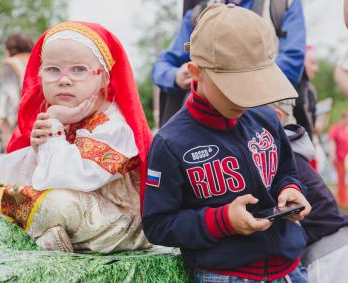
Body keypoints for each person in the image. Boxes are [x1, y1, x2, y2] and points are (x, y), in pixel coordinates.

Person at [142, 4, 311, 282]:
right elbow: (158, 225)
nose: (244, 99)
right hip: (225, 275)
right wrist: (222, 221)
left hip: (290, 270)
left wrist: (291, 190)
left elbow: (286, 171)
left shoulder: (267, 118)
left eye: (254, 83)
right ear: (196, 72)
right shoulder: (170, 142)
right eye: (234, 87)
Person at [0, 21, 152, 254]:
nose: (64, 80)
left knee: (56, 203)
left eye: (79, 69)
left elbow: (63, 180)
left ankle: (45, 233)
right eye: (53, 70)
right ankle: (49, 234)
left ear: (104, 78)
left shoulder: (114, 126)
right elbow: (26, 178)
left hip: (118, 225)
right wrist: (38, 147)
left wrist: (54, 126)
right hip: (75, 213)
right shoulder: (62, 115)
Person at [152, 0, 306, 126]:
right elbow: (162, 65)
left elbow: (293, 61)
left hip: (267, 110)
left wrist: (240, 81)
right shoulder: (199, 13)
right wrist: (176, 76)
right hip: (208, 121)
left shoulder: (282, 4)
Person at [271, 101, 348, 283]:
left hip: (326, 255)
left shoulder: (280, 155)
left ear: (276, 117)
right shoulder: (287, 152)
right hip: (331, 247)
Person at [0, 33, 33, 149]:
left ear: (11, 48)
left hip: (18, 117)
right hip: (37, 114)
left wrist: (0, 119)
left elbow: (8, 95)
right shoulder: (36, 60)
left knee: (14, 155)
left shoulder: (11, 63)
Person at [328, 111, 348, 207]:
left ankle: (342, 198)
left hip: (347, 159)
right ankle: (342, 200)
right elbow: (332, 142)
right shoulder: (336, 128)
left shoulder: (346, 129)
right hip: (339, 158)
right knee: (341, 179)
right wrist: (332, 155)